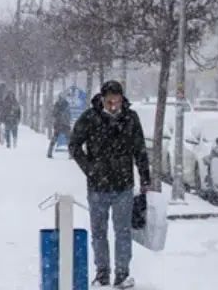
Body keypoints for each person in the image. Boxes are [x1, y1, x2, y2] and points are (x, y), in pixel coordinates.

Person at [68, 80, 150, 288]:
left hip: (123, 184)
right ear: (102, 99)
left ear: (122, 99)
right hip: (98, 186)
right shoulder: (90, 118)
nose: (113, 106)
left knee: (123, 231)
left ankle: (122, 274)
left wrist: (145, 177)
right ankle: (102, 273)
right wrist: (90, 168)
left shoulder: (130, 118)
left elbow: (140, 149)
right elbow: (74, 145)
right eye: (109, 102)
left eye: (117, 102)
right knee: (99, 231)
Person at [47, 94, 72, 159]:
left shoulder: (56, 105)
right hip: (65, 125)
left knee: (54, 139)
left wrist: (56, 122)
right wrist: (68, 122)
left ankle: (49, 152)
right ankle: (71, 154)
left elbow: (53, 114)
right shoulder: (67, 105)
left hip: (58, 124)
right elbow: (69, 115)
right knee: (68, 139)